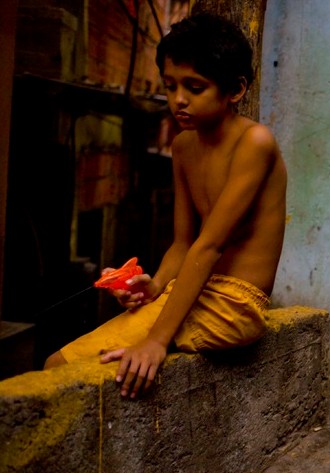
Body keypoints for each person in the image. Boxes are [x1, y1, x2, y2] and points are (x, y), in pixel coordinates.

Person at [44, 13, 288, 401]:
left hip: (236, 305)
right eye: (170, 85)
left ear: (236, 89)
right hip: (192, 292)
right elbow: (182, 242)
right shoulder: (183, 146)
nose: (178, 100)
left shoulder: (255, 143)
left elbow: (209, 247)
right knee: (61, 366)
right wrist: (154, 287)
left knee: (61, 367)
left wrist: (156, 340)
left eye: (194, 87)